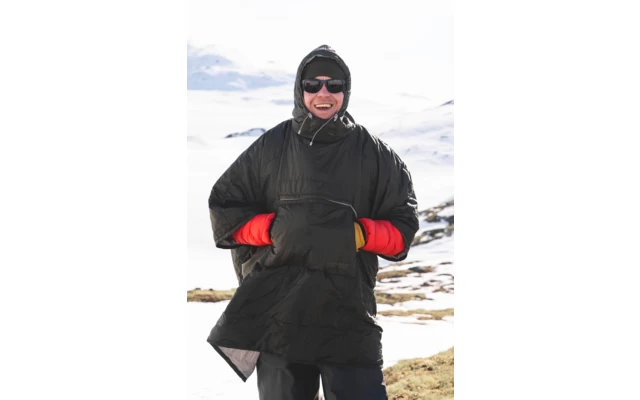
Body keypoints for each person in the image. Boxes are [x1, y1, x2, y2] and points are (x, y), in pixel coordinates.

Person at [207, 44, 419, 400]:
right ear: (299, 89)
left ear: (345, 91)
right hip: (279, 314)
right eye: (313, 84)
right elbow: (225, 209)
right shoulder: (270, 147)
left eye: (334, 85)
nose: (324, 93)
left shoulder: (376, 155)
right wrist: (272, 230)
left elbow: (402, 230)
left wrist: (359, 234)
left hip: (348, 314)